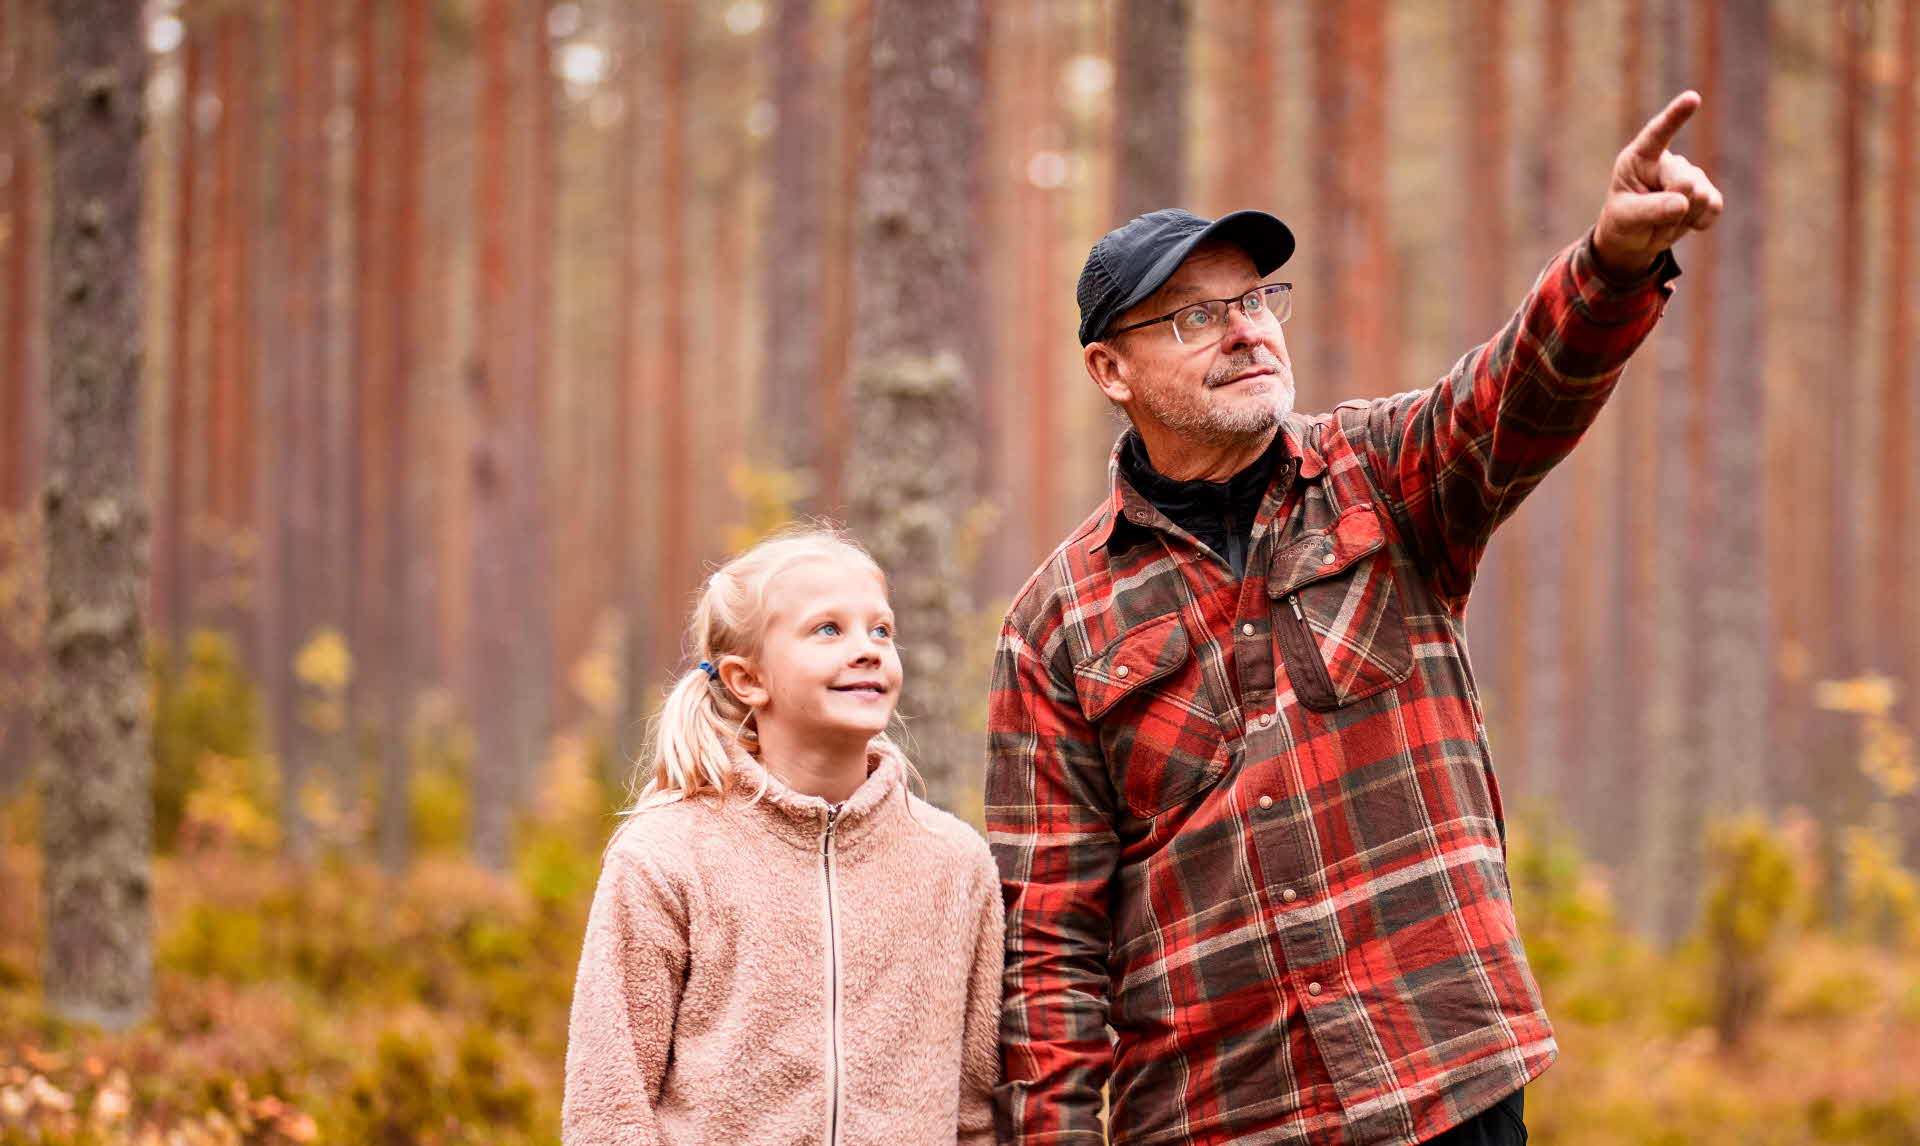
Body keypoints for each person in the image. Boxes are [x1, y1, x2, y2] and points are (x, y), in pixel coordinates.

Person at [986, 92, 1722, 1146]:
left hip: (1444, 1080)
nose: (1246, 330)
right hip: (1218, 1117)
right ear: (1110, 371)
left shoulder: (1383, 472)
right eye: (1196, 315)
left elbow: (1521, 390)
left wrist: (1611, 260)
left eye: (1256, 299)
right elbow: (1050, 940)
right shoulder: (1054, 622)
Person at [563, 526, 1004, 1145]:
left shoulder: (956, 865)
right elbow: (608, 1103)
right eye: (829, 629)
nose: (869, 649)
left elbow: (977, 1109)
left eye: (881, 630)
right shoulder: (665, 856)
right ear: (749, 679)